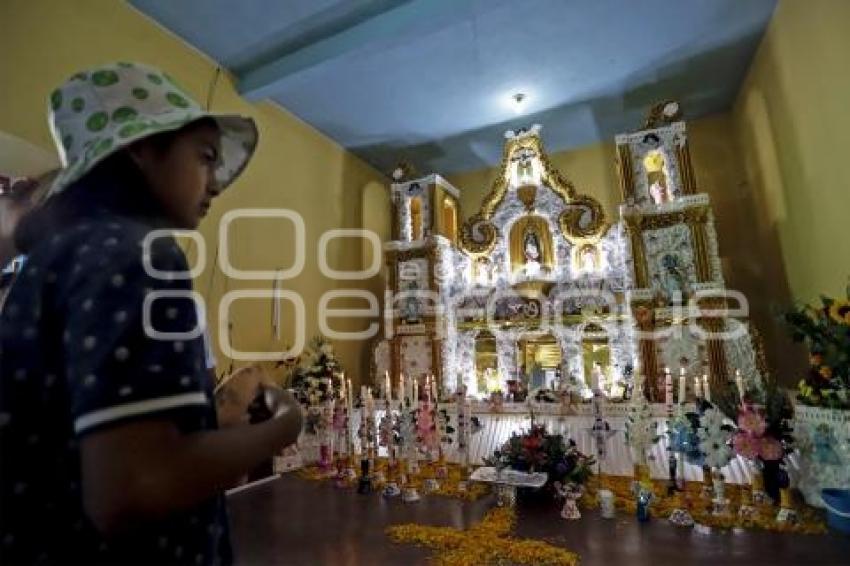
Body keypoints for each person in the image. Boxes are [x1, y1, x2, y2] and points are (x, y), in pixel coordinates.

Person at [0, 62, 302, 564]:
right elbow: (136, 488)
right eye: (205, 157)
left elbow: (102, 449)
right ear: (141, 149)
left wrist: (216, 421)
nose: (215, 183)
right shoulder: (138, 255)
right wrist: (284, 427)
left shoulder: (57, 261)